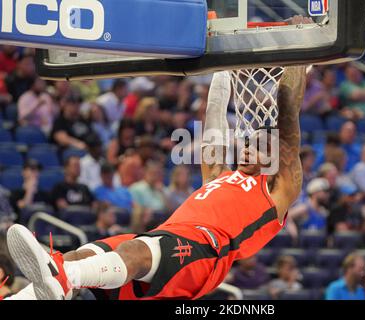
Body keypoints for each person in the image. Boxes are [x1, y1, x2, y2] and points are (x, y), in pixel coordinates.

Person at [5, 63, 309, 300]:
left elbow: (289, 121)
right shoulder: (220, 176)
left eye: (258, 147)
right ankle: (36, 289)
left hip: (207, 252)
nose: (246, 149)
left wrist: (299, 56)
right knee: (82, 255)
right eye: (246, 143)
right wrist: (223, 68)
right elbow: (214, 116)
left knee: (127, 254)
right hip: (167, 236)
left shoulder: (275, 192)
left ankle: (64, 277)